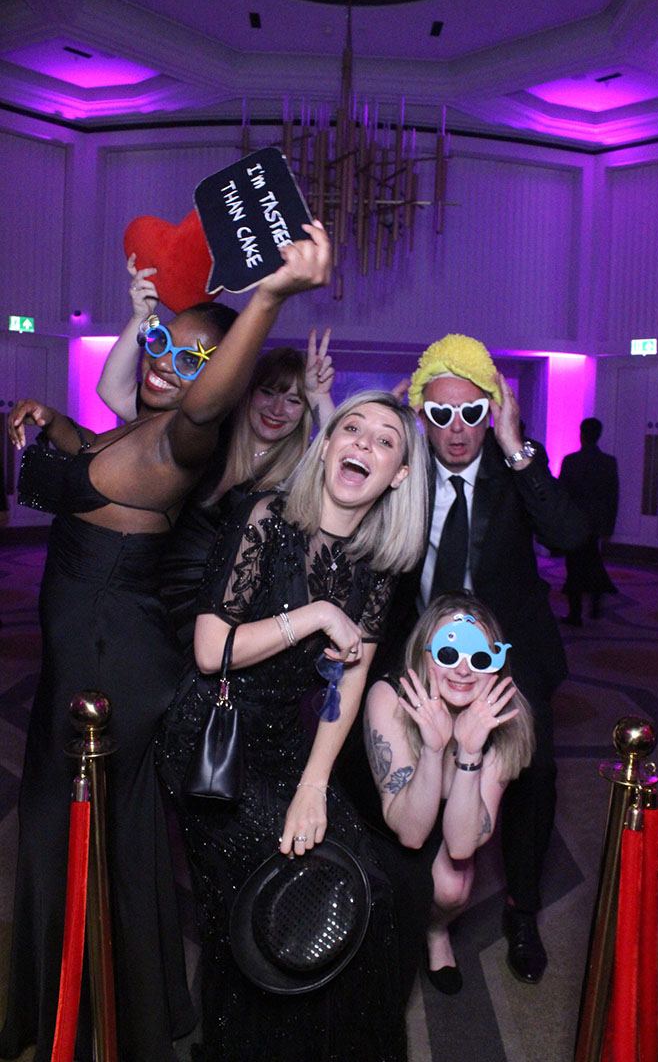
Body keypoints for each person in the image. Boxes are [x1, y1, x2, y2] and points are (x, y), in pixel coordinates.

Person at [0, 222, 331, 1062]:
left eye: (193, 360)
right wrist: (54, 422)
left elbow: (206, 404)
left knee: (87, 834)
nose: (166, 366)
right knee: (85, 832)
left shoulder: (182, 440)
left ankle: (100, 1016)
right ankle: (90, 999)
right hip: (86, 658)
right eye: (161, 345)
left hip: (111, 669)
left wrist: (270, 295)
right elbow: (94, 457)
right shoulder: (134, 431)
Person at [157, 390, 428, 1062]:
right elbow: (209, 649)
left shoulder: (376, 565)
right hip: (213, 737)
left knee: (366, 885)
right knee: (271, 893)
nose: (363, 444)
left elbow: (349, 685)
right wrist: (314, 616)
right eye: (351, 428)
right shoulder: (266, 518)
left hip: (285, 743)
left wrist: (314, 785)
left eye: (384, 440)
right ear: (327, 444)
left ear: (399, 475)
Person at [368, 332, 588, 985]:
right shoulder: (406, 471)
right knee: (395, 760)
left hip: (509, 654)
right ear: (422, 416)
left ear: (492, 411)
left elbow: (572, 534)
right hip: (422, 652)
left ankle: (523, 911)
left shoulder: (514, 464)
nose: (458, 427)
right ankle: (418, 904)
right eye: (442, 413)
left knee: (535, 776)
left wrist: (517, 446)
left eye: (472, 411)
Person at [98, 255, 336, 651]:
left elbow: (342, 467)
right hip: (153, 606)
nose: (277, 409)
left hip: (225, 627)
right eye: (268, 392)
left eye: (294, 401)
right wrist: (140, 318)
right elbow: (114, 393)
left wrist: (319, 397)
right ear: (244, 391)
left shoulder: (297, 473)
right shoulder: (207, 438)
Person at [365, 593, 534, 994]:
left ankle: (436, 930)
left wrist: (470, 752)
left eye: (479, 657)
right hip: (381, 820)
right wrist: (433, 749)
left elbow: (461, 846)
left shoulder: (507, 721)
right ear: (424, 656)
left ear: (497, 665)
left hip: (451, 819)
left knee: (453, 885)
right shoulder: (390, 697)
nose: (462, 669)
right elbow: (409, 833)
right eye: (447, 653)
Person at [559, 417, 619, 626]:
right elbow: (613, 496)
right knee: (593, 562)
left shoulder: (570, 461)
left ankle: (575, 613)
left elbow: (562, 494)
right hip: (596, 523)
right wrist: (609, 525)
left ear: (581, 434)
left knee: (574, 566)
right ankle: (595, 603)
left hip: (575, 522)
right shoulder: (608, 462)